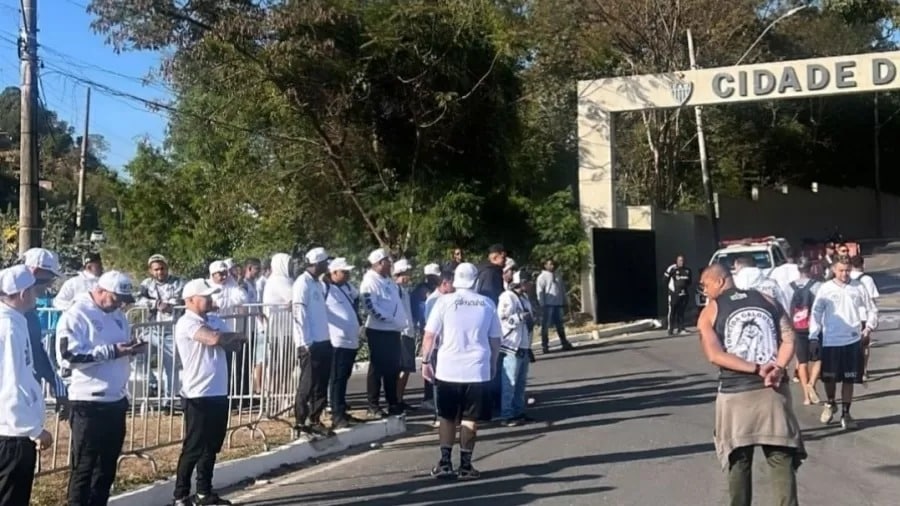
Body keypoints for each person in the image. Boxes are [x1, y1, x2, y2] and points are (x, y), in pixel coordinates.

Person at [697, 264, 805, 506]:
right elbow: (789, 338)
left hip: (736, 396)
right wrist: (776, 367)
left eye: (705, 285)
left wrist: (755, 368)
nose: (704, 291)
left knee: (739, 461)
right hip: (773, 392)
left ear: (721, 281)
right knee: (781, 457)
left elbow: (715, 355)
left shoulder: (711, 311)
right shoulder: (768, 300)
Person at [58, 271, 146, 506]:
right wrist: (111, 351)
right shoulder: (76, 314)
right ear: (100, 291)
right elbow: (67, 356)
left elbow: (121, 347)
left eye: (123, 301)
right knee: (85, 466)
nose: (119, 305)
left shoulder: (118, 316)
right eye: (116, 298)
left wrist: (133, 349)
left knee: (107, 467)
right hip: (88, 402)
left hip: (115, 400)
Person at [421, 263, 501, 480]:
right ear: (476, 280)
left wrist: (425, 362)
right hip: (477, 369)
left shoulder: (443, 302)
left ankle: (445, 463)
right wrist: (493, 364)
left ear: (455, 280)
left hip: (448, 369)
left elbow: (430, 336)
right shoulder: (487, 303)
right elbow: (495, 340)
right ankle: (466, 466)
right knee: (470, 419)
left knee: (447, 417)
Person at [172, 279, 244, 506]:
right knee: (194, 446)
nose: (211, 300)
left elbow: (236, 340)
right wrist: (224, 338)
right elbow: (214, 339)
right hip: (198, 393)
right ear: (190, 300)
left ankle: (204, 491)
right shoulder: (186, 322)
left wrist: (227, 338)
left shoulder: (213, 319)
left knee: (212, 446)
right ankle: (180, 495)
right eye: (205, 297)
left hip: (218, 390)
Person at [0, 265, 53, 506]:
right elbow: (12, 381)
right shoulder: (9, 327)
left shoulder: (14, 321)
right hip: (12, 435)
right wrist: (31, 428)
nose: (37, 294)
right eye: (34, 289)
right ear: (23, 294)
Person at [809, 256, 877, 429]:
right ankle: (831, 402)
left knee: (849, 379)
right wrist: (813, 337)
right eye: (841, 270)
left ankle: (846, 414)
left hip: (852, 340)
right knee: (830, 379)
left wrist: (868, 328)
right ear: (833, 270)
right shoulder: (825, 289)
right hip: (831, 340)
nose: (845, 274)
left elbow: (871, 309)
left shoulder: (858, 286)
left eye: (847, 270)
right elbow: (816, 314)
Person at [20, 248, 69, 418]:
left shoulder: (29, 312)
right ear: (34, 271)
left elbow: (37, 351)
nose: (49, 285)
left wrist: (57, 385)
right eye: (47, 278)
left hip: (26, 400)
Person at [292, 247, 333, 437]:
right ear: (317, 263)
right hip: (310, 343)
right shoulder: (302, 283)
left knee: (321, 383)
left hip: (323, 340)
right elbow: (299, 313)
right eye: (325, 262)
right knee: (307, 383)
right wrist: (305, 342)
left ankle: (315, 419)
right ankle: (300, 421)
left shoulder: (318, 283)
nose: (327, 265)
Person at [360, 248, 405, 418]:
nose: (390, 264)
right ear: (379, 262)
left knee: (392, 369)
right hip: (379, 331)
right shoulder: (369, 282)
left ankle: (393, 402)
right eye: (388, 261)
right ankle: (373, 404)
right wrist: (389, 319)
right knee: (377, 368)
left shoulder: (388, 281)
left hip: (392, 331)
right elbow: (370, 307)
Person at [323, 257, 361, 429]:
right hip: (337, 340)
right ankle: (336, 413)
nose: (347, 275)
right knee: (337, 378)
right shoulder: (326, 289)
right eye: (344, 272)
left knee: (344, 377)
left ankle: (342, 408)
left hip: (349, 341)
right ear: (333, 272)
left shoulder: (343, 289)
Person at [497, 270, 534, 426]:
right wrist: (519, 318)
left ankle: (518, 411)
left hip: (523, 345)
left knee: (520, 383)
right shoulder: (507, 297)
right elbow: (501, 319)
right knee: (510, 383)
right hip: (511, 345)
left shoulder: (524, 298)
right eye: (528, 281)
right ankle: (506, 414)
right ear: (521, 282)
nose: (530, 285)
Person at [786, 258, 822, 405]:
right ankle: (812, 383)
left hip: (796, 327)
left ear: (798, 269)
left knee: (802, 362)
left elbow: (785, 306)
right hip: (814, 327)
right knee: (818, 359)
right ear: (811, 268)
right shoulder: (817, 286)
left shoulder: (789, 287)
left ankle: (806, 397)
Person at [849, 255, 880, 381]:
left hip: (850, 316)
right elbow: (872, 299)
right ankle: (864, 370)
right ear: (862, 265)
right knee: (865, 345)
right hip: (864, 316)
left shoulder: (845, 277)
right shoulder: (867, 279)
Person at [393, 259, 417, 409]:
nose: (409, 276)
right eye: (407, 273)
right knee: (402, 368)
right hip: (402, 332)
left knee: (407, 369)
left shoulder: (404, 290)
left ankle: (400, 398)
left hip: (409, 332)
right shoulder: (395, 289)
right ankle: (396, 399)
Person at [536, 258, 573, 352]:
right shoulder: (542, 277)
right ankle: (545, 346)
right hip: (548, 304)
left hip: (558, 303)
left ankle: (564, 342)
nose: (552, 266)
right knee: (546, 326)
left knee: (560, 324)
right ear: (545, 265)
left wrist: (564, 301)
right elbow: (540, 291)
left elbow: (562, 289)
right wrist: (542, 304)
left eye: (553, 264)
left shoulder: (557, 275)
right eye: (550, 264)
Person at [663, 255, 693, 335]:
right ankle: (670, 329)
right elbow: (665, 280)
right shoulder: (672, 269)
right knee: (672, 311)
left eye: (683, 260)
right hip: (674, 294)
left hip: (684, 294)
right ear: (676, 261)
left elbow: (689, 282)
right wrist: (671, 289)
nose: (681, 262)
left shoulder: (687, 270)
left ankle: (681, 328)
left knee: (681, 312)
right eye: (680, 260)